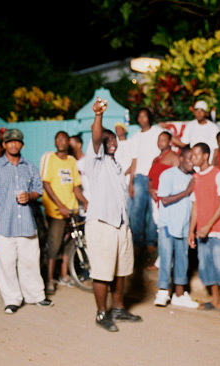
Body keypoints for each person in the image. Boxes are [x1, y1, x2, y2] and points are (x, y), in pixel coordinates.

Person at [0, 129, 53, 314]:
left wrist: (29, 196)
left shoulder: (29, 167)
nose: (13, 144)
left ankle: (36, 296)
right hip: (3, 224)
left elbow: (39, 190)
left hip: (26, 224)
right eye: (9, 141)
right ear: (4, 144)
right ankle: (12, 299)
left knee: (30, 261)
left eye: (17, 141)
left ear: (22, 145)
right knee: (5, 263)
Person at [86, 97, 142, 332]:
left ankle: (118, 308)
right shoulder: (95, 160)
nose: (112, 142)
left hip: (120, 224)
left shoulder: (116, 164)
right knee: (102, 271)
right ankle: (101, 313)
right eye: (107, 139)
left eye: (114, 140)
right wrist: (98, 115)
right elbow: (97, 136)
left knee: (120, 270)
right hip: (102, 224)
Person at [187, 142, 220, 317]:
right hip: (202, 232)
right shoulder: (195, 177)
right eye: (192, 155)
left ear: (206, 156)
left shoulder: (219, 175)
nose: (192, 158)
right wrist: (191, 231)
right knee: (207, 266)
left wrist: (208, 225)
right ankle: (216, 301)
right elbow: (195, 206)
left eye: (196, 154)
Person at [40, 131, 88, 295]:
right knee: (54, 245)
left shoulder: (72, 161)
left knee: (70, 244)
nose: (60, 141)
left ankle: (64, 275)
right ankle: (50, 280)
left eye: (64, 139)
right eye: (57, 138)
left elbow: (75, 186)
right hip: (56, 211)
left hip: (72, 208)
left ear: (68, 142)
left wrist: (85, 201)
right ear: (55, 142)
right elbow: (46, 183)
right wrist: (60, 205)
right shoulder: (50, 158)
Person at [153, 147, 199, 308]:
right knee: (166, 259)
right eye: (188, 159)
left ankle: (179, 295)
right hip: (167, 225)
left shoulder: (194, 177)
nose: (191, 163)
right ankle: (163, 292)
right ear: (180, 159)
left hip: (184, 227)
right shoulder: (168, 175)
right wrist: (187, 191)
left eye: (194, 160)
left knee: (182, 261)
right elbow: (164, 200)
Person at [129, 108, 164, 254]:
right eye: (139, 116)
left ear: (149, 118)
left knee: (153, 209)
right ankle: (137, 242)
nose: (142, 119)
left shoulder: (157, 131)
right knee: (137, 210)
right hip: (140, 177)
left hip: (155, 177)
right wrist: (131, 182)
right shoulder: (135, 137)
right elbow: (134, 160)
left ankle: (151, 241)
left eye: (145, 116)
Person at [146, 131, 180, 270]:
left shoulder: (174, 157)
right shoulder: (156, 159)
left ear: (170, 141)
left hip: (166, 199)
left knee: (166, 230)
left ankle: (165, 262)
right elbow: (150, 179)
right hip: (155, 198)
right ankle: (162, 261)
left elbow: (179, 178)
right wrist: (151, 190)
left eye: (164, 140)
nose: (161, 143)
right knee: (160, 229)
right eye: (159, 140)